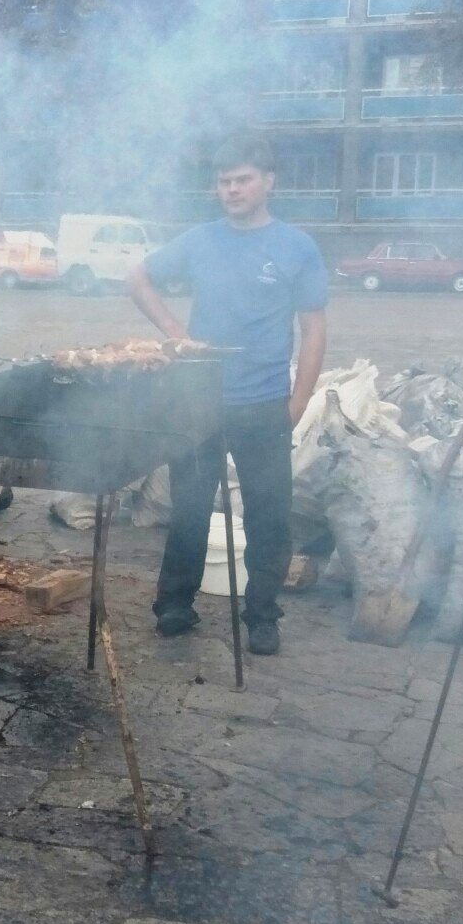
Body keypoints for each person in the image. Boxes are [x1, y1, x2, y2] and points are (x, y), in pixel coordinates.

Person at [122, 136, 328, 657]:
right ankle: (174, 604)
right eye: (224, 181)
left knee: (268, 514)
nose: (231, 189)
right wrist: (174, 329)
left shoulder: (296, 247)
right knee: (188, 504)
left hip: (263, 402)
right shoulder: (199, 240)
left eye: (243, 179)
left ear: (269, 182)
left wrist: (299, 400)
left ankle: (262, 613)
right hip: (199, 397)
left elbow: (314, 328)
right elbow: (139, 277)